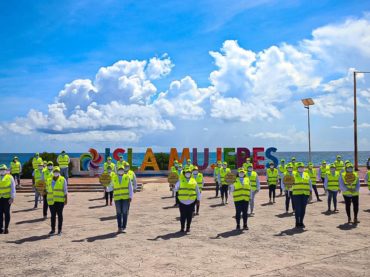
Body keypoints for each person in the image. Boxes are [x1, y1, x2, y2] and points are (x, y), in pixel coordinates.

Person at [173, 166, 201, 233]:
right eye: (186, 172)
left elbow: (197, 191)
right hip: (182, 202)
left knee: (189, 216)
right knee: (182, 216)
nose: (188, 174)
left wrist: (198, 200)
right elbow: (175, 189)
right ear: (184, 173)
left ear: (191, 173)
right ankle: (182, 228)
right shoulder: (180, 181)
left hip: (191, 201)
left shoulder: (194, 181)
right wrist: (173, 187)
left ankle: (188, 228)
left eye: (189, 172)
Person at [45, 167, 68, 236]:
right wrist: (44, 192)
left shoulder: (62, 179)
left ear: (59, 172)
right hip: (51, 201)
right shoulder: (49, 180)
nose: (56, 172)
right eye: (55, 171)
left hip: (60, 201)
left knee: (60, 215)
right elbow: (46, 189)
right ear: (53, 172)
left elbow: (65, 190)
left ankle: (59, 230)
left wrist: (66, 199)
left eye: (57, 171)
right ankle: (52, 230)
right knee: (52, 215)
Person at [112, 165, 133, 233]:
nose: (120, 170)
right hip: (117, 198)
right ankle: (119, 227)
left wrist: (130, 196)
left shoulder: (127, 177)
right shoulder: (114, 177)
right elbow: (111, 186)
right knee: (118, 213)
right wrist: (106, 187)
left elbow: (130, 187)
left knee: (124, 212)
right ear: (117, 170)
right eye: (119, 169)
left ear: (123, 170)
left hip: (125, 198)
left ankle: (124, 227)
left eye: (122, 169)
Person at [292, 162, 312, 228]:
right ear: (297, 168)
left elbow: (310, 184)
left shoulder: (306, 174)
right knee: (298, 209)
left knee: (303, 209)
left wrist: (310, 194)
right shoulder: (293, 174)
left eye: (302, 167)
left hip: (305, 194)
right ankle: (297, 222)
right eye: (299, 167)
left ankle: (301, 222)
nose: (301, 168)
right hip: (296, 194)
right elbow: (288, 183)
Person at [0, 165, 16, 234]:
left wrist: (12, 197)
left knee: (7, 213)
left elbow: (13, 188)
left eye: (4, 169)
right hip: (0, 199)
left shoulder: (10, 177)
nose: (2, 170)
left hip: (7, 199)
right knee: (0, 214)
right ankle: (0, 228)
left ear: (6, 170)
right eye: (1, 169)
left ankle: (6, 228)